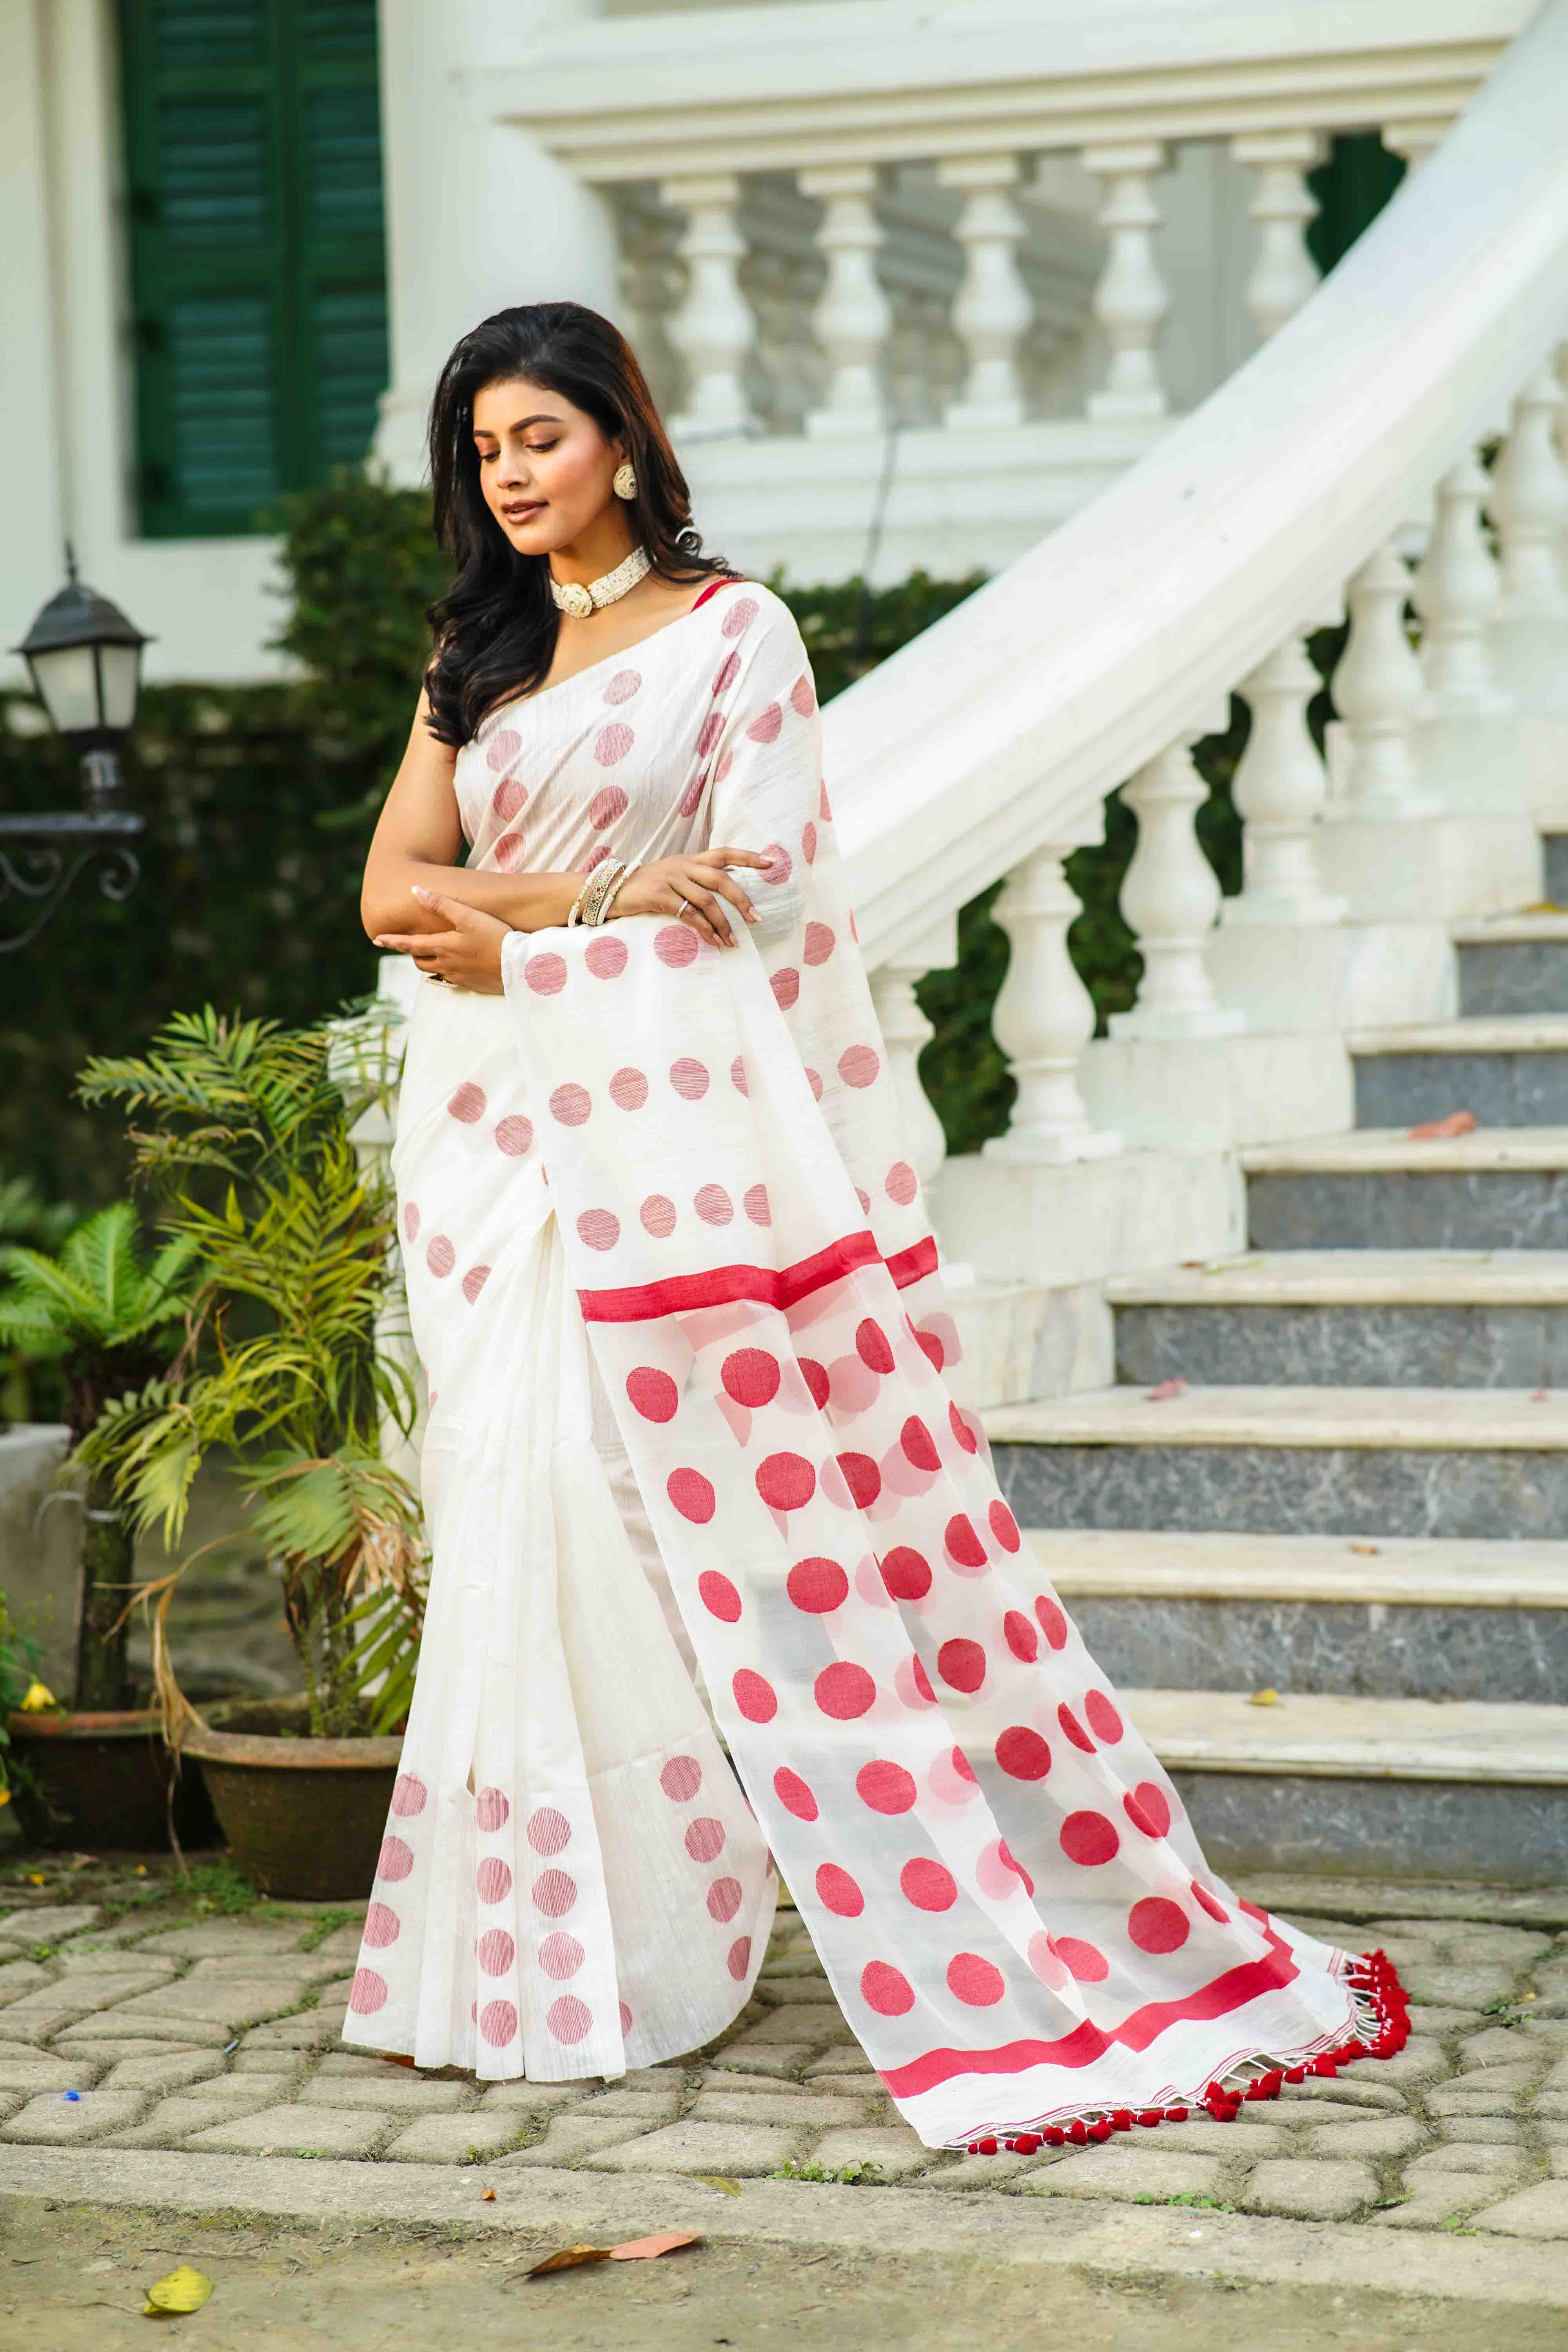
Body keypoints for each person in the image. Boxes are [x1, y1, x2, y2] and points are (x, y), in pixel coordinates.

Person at [344, 300, 1407, 2153]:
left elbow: (748, 898)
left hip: (661, 1149)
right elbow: (388, 896)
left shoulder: (733, 635)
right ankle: (539, 1963)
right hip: (492, 1148)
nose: (512, 478)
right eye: (485, 451)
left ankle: (718, 1934)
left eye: (541, 437)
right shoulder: (474, 651)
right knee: (519, 1518)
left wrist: (516, 930)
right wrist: (583, 894)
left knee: (684, 1543)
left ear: (621, 436)